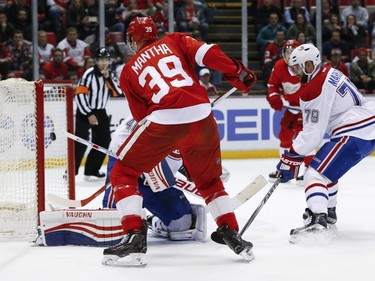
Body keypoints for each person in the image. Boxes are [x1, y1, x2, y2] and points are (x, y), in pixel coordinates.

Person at [102, 16, 256, 266]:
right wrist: (236, 70)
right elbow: (209, 54)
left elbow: (142, 117)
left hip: (165, 120)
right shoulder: (175, 40)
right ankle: (231, 231)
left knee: (123, 172)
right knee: (209, 181)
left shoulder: (129, 71)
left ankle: (134, 237)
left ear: (132, 39)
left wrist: (167, 136)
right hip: (203, 115)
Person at [276, 43, 375, 243]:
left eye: (298, 68)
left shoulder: (313, 89)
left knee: (315, 174)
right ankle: (328, 213)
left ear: (309, 65)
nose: (295, 73)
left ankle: (318, 221)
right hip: (366, 123)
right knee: (327, 172)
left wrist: (289, 157)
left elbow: (313, 135)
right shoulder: (331, 71)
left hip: (355, 130)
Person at [102, 113, 208, 241]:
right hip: (125, 169)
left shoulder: (190, 124)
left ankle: (154, 223)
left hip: (156, 175)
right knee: (113, 224)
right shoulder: (151, 119)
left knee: (182, 224)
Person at [266, 40, 313, 183]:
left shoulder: (306, 65)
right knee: (284, 135)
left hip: (307, 109)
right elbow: (272, 84)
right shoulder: (279, 66)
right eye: (287, 52)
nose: (290, 55)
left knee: (306, 138)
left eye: (293, 51)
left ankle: (310, 170)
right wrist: (274, 96)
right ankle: (283, 168)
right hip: (292, 108)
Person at [74, 47, 122, 180]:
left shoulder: (110, 74)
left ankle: (91, 169)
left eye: (106, 60)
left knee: (104, 141)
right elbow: (80, 95)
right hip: (85, 112)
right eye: (101, 60)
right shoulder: (88, 74)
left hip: (100, 111)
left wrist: (108, 79)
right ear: (96, 61)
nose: (104, 63)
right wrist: (89, 113)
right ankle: (71, 172)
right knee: (80, 141)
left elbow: (117, 92)